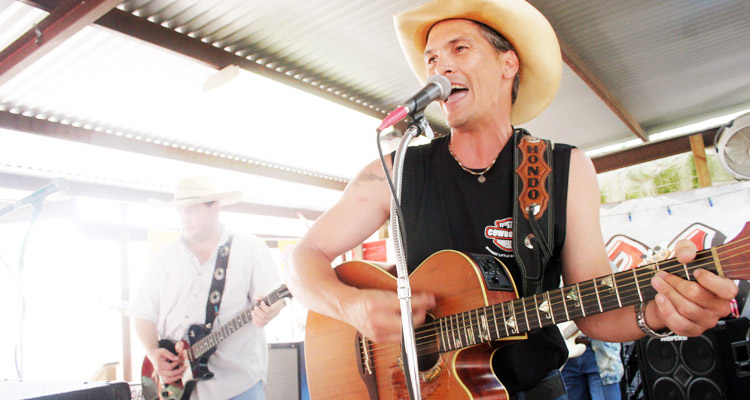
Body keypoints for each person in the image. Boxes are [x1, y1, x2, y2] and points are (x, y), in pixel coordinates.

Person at [285, 0, 738, 399]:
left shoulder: (564, 168)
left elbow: (596, 315)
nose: (440, 68)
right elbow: (303, 257)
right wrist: (351, 306)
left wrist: (660, 310)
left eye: (459, 49)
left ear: (508, 64)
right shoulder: (396, 170)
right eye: (432, 59)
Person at [129, 177, 284, 400]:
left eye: (191, 210)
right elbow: (143, 314)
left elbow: (275, 296)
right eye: (180, 212)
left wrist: (271, 309)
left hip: (238, 387)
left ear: (215, 209)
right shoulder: (163, 257)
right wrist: (153, 354)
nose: (185, 219)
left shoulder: (250, 248)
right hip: (175, 388)